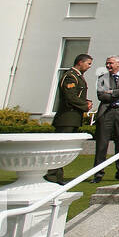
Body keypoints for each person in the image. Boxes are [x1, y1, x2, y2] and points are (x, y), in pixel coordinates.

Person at [47, 53, 93, 183]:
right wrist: (85, 105)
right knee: (59, 147)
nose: (89, 66)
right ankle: (51, 175)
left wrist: (86, 101)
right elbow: (70, 97)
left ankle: (57, 175)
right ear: (80, 62)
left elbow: (76, 95)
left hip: (73, 117)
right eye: (88, 63)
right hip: (66, 117)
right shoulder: (70, 76)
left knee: (64, 148)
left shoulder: (78, 76)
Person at [93, 56, 119, 183]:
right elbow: (101, 95)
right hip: (107, 113)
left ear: (118, 64)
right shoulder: (103, 77)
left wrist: (112, 92)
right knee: (101, 144)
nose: (108, 65)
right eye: (106, 63)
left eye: (110, 63)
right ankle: (98, 174)